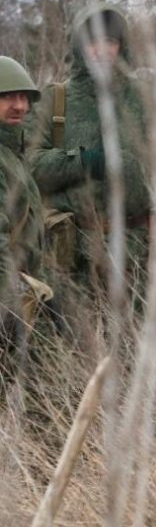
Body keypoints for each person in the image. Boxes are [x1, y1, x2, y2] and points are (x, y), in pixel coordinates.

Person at [26, 3, 156, 310]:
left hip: (139, 254)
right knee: (76, 353)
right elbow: (29, 167)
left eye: (111, 41)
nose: (102, 50)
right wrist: (84, 161)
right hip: (70, 256)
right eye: (93, 42)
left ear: (122, 46)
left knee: (141, 353)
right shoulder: (54, 101)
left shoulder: (151, 101)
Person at [0, 57, 47, 366]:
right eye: (7, 97)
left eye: (23, 97)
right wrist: (8, 306)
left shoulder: (13, 154)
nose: (18, 105)